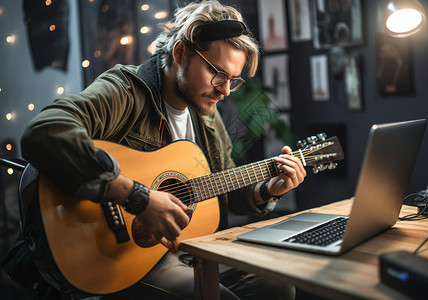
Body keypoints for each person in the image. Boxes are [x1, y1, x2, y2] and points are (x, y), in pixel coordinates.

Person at [5, 1, 306, 299]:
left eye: (233, 81)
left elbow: (223, 192)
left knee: (278, 286)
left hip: (188, 248)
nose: (225, 90)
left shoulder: (208, 117)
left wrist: (268, 189)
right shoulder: (126, 89)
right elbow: (45, 131)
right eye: (218, 74)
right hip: (118, 254)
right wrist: (138, 197)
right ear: (180, 53)